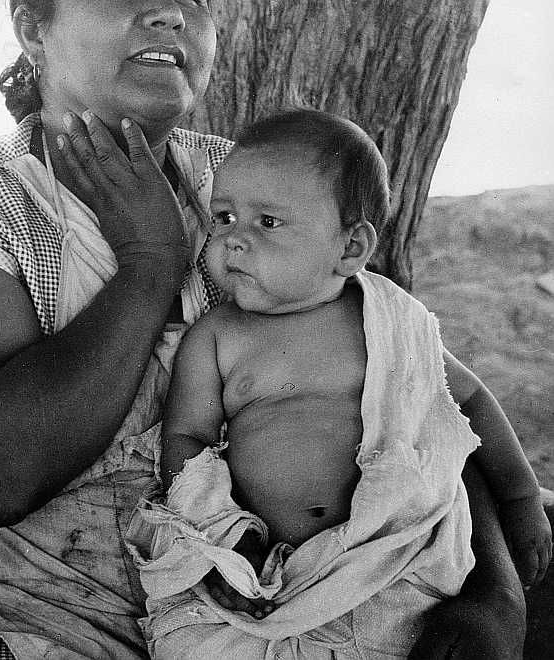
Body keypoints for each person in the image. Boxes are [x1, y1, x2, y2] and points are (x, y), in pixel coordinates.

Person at [0, 0, 527, 659]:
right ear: (31, 29)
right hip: (0, 623)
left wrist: (489, 594)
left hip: (260, 611)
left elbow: (406, 388)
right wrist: (149, 262)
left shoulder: (242, 185)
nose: (166, 13)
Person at [128, 108, 551, 659]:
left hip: (392, 559)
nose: (234, 241)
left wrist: (520, 497)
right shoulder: (217, 337)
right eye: (224, 218)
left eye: (268, 223)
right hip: (267, 571)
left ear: (350, 249)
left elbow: (466, 401)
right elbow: (186, 440)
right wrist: (225, 535)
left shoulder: (390, 319)